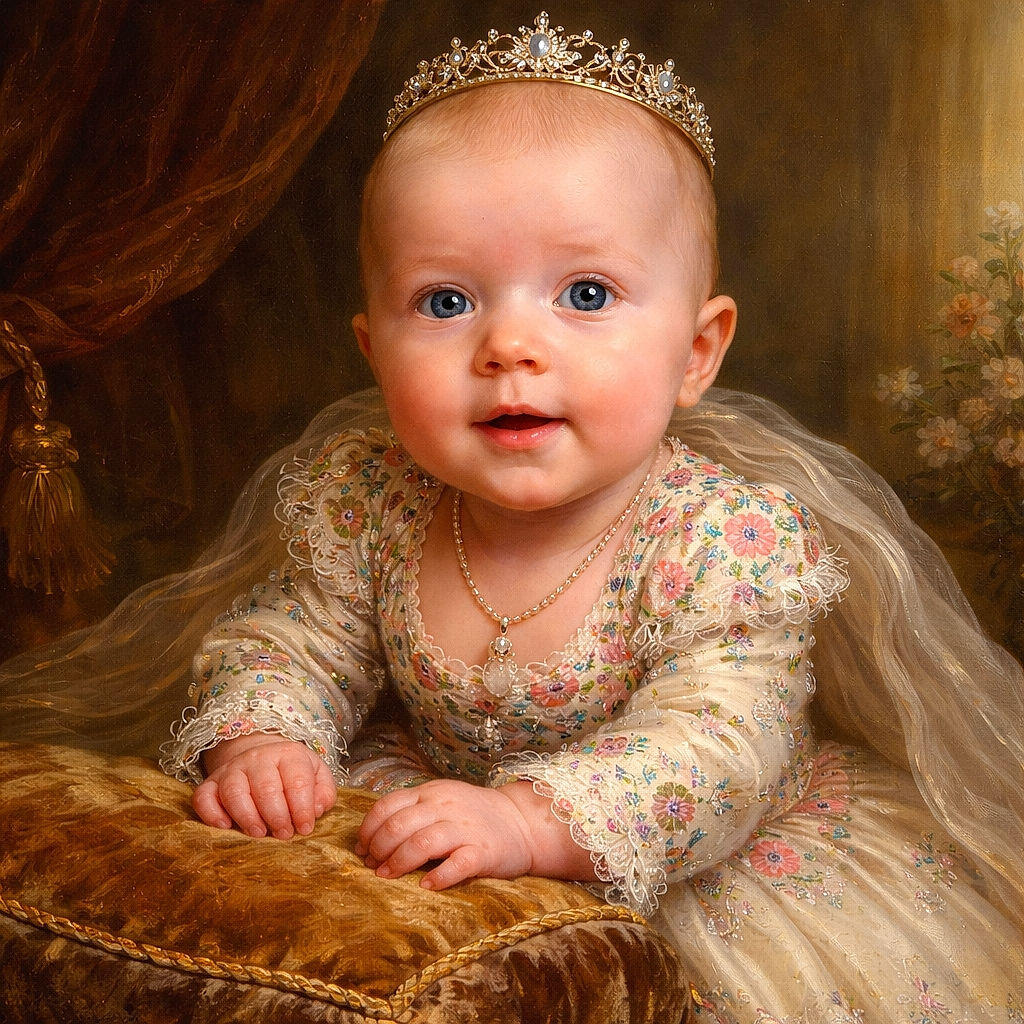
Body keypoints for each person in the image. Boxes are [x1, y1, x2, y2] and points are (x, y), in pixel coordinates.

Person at [4, 13, 1023, 1021]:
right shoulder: (374, 495)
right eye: (446, 303)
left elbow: (724, 743)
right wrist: (264, 738)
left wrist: (531, 819)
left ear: (698, 351)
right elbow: (292, 638)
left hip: (693, 865)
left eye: (585, 292)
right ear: (371, 350)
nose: (509, 347)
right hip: (439, 815)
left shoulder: (722, 539)